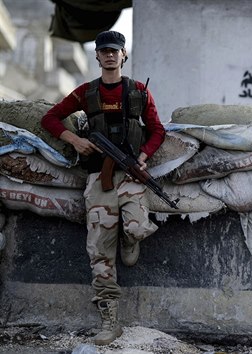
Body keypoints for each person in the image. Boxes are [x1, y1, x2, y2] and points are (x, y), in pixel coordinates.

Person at [41, 30, 165, 345]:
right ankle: (110, 321)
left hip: (132, 174)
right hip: (99, 178)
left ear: (124, 55)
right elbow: (51, 118)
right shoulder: (86, 92)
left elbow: (157, 131)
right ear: (97, 56)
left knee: (139, 227)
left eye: (115, 51)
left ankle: (129, 236)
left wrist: (143, 156)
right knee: (99, 250)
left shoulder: (138, 91)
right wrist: (75, 140)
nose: (110, 55)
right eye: (104, 51)